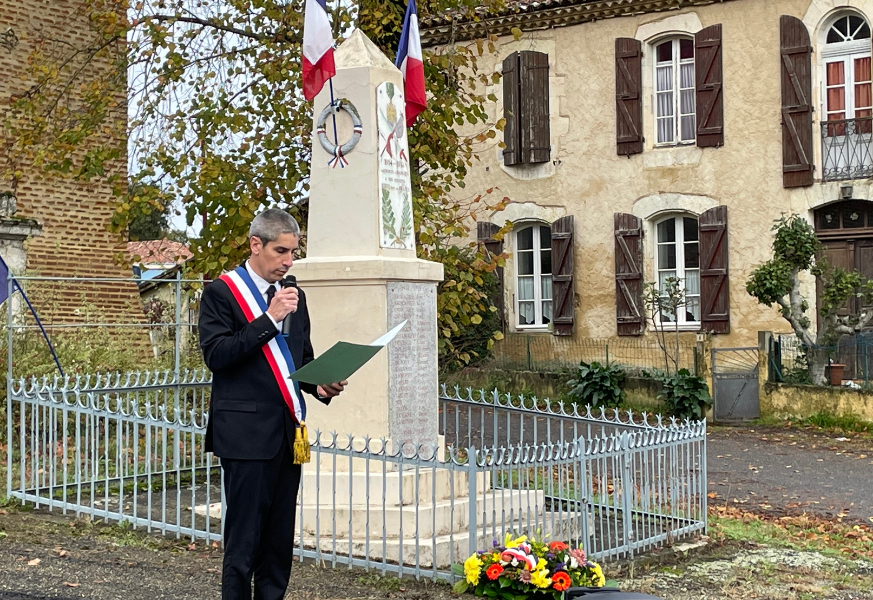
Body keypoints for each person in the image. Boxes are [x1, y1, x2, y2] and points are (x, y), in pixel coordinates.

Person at [199, 208, 347, 600]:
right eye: (281, 251)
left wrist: (321, 385)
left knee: (279, 543)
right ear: (255, 244)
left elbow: (300, 360)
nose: (288, 261)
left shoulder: (294, 296)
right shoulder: (221, 292)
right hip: (245, 436)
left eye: (293, 252)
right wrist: (269, 318)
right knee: (244, 541)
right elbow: (217, 356)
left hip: (287, 434)